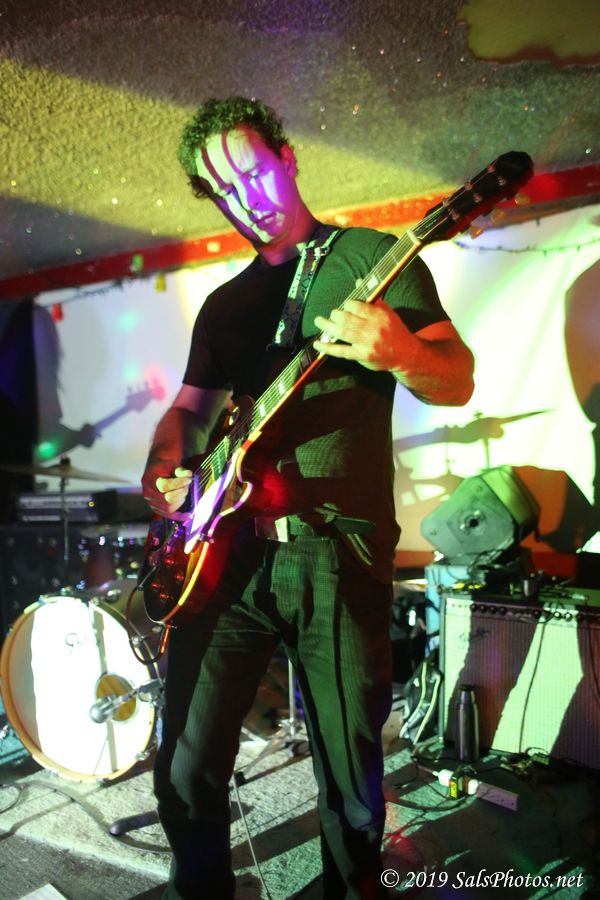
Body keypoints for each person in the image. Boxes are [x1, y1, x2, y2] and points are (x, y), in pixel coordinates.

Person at [141, 96, 474, 899]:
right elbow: (189, 410)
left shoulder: (374, 257)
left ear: (287, 159)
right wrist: (164, 465)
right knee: (182, 769)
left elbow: (456, 377)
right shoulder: (224, 307)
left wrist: (399, 351)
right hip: (227, 554)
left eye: (253, 172)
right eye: (223, 190)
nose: (245, 198)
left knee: (352, 791)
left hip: (337, 554)